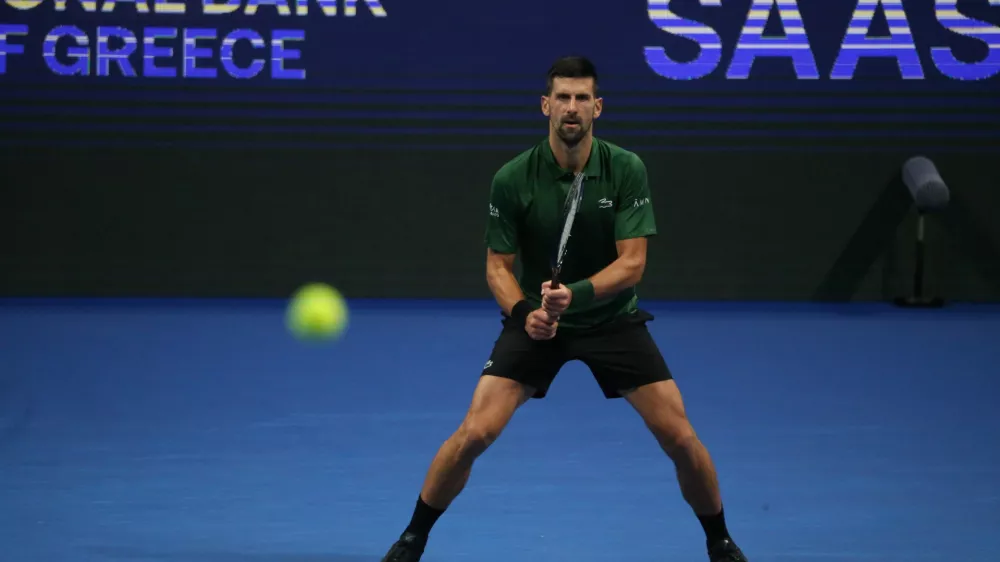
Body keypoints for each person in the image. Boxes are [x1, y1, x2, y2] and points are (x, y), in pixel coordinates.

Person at [379, 56, 749, 562]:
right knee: (474, 433)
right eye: (562, 98)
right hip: (538, 324)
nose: (571, 108)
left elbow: (633, 264)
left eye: (581, 98)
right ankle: (412, 538)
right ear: (545, 105)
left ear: (597, 107)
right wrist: (521, 313)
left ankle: (720, 541)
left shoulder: (625, 169)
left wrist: (575, 294)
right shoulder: (512, 178)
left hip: (611, 320)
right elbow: (497, 267)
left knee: (680, 436)